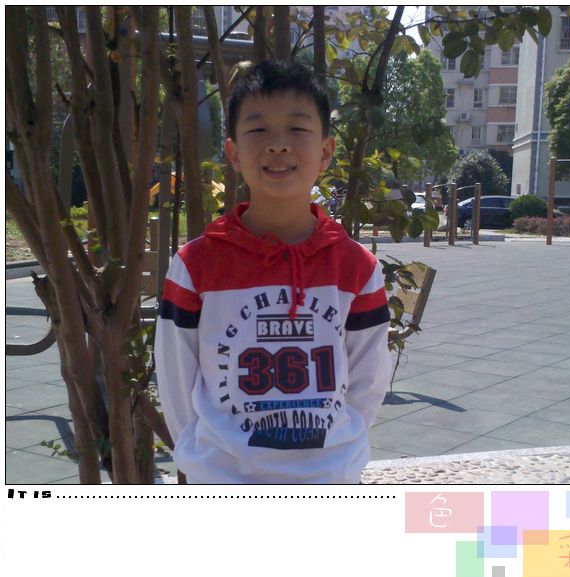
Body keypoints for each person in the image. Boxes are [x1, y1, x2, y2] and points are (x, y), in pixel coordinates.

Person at [155, 60, 392, 484]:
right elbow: (176, 380)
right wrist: (203, 458)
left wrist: (339, 455)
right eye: (258, 129)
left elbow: (367, 381)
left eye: (297, 129)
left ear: (326, 151)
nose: (278, 145)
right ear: (233, 153)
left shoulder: (357, 268)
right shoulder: (195, 266)